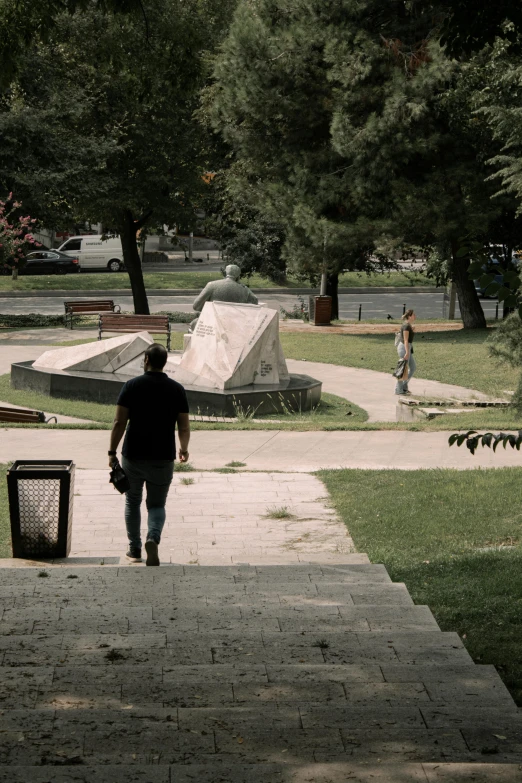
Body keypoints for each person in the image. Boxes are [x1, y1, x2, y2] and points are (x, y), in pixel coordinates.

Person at [108, 343, 190, 566]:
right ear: (164, 362)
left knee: (132, 502)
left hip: (133, 454)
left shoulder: (131, 386)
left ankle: (134, 550)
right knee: (156, 505)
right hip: (163, 456)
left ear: (146, 359)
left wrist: (111, 452)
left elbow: (119, 422)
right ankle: (153, 537)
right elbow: (183, 427)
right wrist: (183, 449)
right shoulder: (177, 389)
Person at [395, 309, 417, 395]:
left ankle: (404, 386)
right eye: (413, 315)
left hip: (407, 347)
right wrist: (407, 352)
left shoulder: (409, 326)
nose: (415, 316)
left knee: (413, 367)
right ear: (409, 316)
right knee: (402, 369)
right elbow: (405, 340)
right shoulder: (406, 326)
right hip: (404, 348)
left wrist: (413, 330)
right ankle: (398, 390)